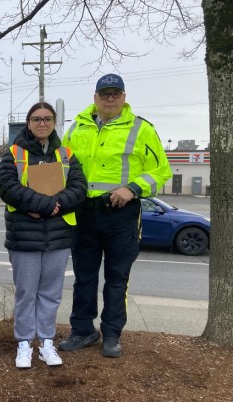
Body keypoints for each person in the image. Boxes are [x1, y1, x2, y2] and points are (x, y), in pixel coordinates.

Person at [59, 74, 172, 358]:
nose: (110, 99)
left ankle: (111, 334)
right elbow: (60, 168)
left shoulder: (141, 129)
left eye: (115, 94)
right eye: (105, 94)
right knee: (83, 277)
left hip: (121, 214)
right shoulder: (75, 128)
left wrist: (133, 188)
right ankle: (82, 330)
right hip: (84, 213)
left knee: (117, 278)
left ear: (124, 97)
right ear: (95, 97)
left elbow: (162, 173)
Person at [0, 102, 86, 369]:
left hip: (58, 237)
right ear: (28, 122)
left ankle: (46, 342)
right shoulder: (13, 153)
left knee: (51, 293)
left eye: (47, 119)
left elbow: (79, 187)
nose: (42, 123)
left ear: (54, 122)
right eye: (36, 119)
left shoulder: (66, 154)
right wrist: (45, 205)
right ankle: (24, 343)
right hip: (24, 236)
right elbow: (7, 187)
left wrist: (56, 205)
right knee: (26, 292)